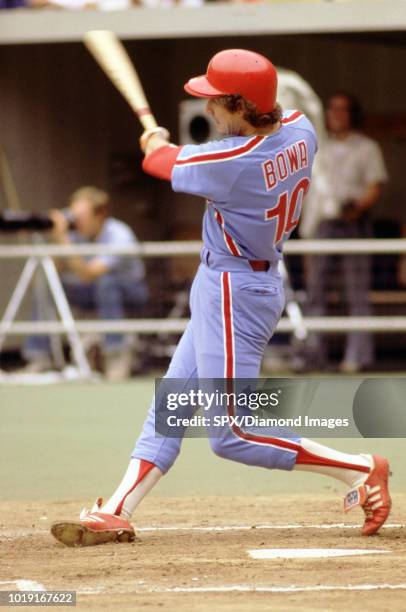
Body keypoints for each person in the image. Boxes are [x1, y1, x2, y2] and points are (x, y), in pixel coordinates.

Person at [51, 50, 391, 546]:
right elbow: (201, 153)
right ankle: (119, 508)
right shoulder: (300, 129)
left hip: (237, 289)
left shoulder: (234, 162)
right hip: (230, 280)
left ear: (240, 104)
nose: (209, 109)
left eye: (216, 101)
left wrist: (155, 140)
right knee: (173, 402)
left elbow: (157, 161)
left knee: (232, 435)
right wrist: (165, 147)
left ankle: (361, 469)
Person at [23, 186, 148, 380]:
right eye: (73, 216)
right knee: (47, 283)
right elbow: (55, 272)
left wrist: (64, 240)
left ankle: (115, 354)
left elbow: (88, 274)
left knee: (107, 283)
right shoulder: (74, 235)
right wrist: (56, 238)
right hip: (92, 290)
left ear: (100, 215)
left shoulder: (120, 234)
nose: (76, 222)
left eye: (81, 216)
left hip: (129, 291)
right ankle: (39, 356)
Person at [305, 93, 388, 373]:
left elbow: (374, 185)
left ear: (353, 114)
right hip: (325, 224)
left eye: (342, 110)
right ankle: (313, 353)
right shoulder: (319, 148)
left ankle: (357, 356)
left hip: (354, 221)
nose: (336, 115)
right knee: (316, 290)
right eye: (332, 109)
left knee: (357, 290)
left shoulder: (366, 148)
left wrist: (358, 207)